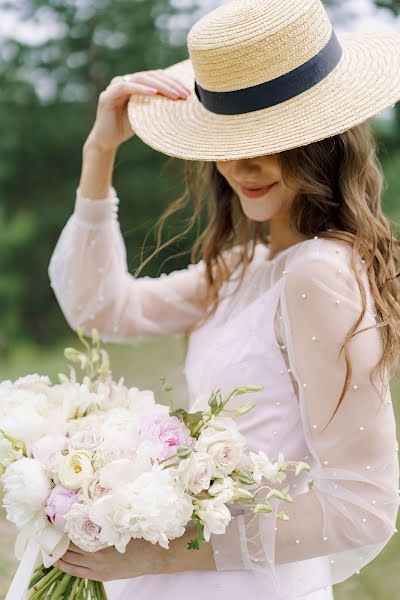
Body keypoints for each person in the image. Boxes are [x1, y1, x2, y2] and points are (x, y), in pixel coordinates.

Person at [48, 0, 400, 598]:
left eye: (272, 138)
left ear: (325, 139)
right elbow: (100, 310)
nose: (242, 163)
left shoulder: (317, 274)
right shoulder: (246, 269)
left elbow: (365, 504)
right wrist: (99, 154)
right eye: (229, 137)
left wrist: (158, 558)